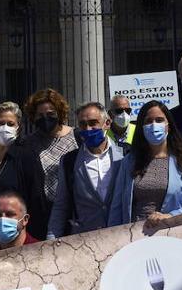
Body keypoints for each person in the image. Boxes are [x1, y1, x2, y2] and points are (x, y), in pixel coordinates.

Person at [106, 99, 182, 229]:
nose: (154, 125)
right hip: (135, 238)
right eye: (148, 121)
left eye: (159, 120)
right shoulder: (129, 161)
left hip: (174, 236)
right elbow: (117, 207)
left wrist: (171, 215)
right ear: (141, 127)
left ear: (168, 125)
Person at [0, 88, 77, 244]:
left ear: (59, 113)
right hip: (41, 217)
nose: (45, 118)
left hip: (73, 213)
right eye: (40, 115)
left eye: (50, 114)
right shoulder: (28, 143)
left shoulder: (76, 138)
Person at [48, 102, 127, 239]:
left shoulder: (126, 154)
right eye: (83, 124)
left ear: (107, 123)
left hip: (121, 235)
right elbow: (61, 204)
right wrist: (52, 237)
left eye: (93, 123)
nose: (88, 129)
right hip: (85, 241)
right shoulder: (69, 161)